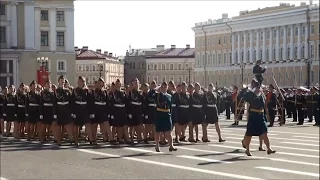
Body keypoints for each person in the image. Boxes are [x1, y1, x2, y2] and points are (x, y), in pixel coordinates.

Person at [241, 79, 276, 156]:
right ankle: (247, 149)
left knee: (264, 132)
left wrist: (266, 115)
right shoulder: (250, 94)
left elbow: (264, 105)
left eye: (259, 87)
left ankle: (269, 148)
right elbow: (244, 97)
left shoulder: (261, 95)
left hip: (260, 116)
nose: (258, 89)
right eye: (257, 87)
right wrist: (250, 91)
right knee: (249, 133)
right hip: (253, 116)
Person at [154, 81, 177, 152]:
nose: (164, 88)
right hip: (159, 115)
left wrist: (171, 115)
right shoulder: (157, 95)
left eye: (165, 87)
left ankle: (171, 146)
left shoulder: (169, 96)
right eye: (162, 87)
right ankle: (157, 145)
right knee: (158, 131)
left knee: (169, 131)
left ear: (167, 88)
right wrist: (156, 90)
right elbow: (151, 96)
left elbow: (170, 107)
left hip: (167, 115)